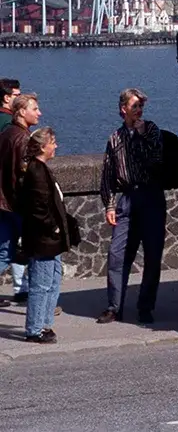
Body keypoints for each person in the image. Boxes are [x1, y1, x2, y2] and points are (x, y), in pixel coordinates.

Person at [97, 88, 166, 325]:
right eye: (135, 106)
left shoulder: (152, 131)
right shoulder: (115, 138)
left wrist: (143, 135)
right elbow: (107, 174)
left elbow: (156, 162)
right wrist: (109, 205)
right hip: (127, 198)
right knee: (117, 254)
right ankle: (114, 306)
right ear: (123, 109)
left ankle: (146, 306)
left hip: (151, 197)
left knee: (152, 255)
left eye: (141, 107)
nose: (139, 111)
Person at [17, 127, 76, 344]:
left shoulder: (38, 168)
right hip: (43, 240)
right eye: (53, 142)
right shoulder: (36, 171)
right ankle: (35, 329)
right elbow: (39, 208)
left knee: (51, 280)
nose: (56, 146)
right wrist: (54, 228)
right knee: (41, 285)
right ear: (43, 147)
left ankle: (43, 324)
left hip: (48, 239)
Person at [0, 92, 38, 308]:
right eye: (35, 109)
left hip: (4, 203)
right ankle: (38, 300)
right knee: (35, 253)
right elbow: (23, 177)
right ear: (22, 112)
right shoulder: (23, 139)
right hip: (18, 206)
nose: (39, 113)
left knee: (4, 252)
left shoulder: (7, 133)